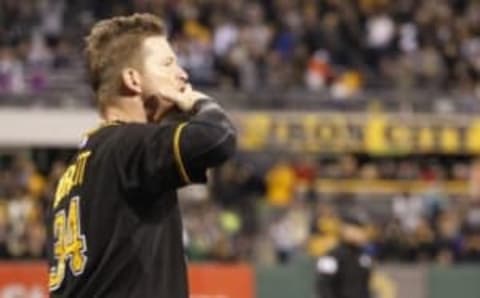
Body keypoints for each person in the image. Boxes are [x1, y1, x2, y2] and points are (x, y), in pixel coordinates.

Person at [46, 13, 236, 298]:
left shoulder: (72, 175)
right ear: (133, 79)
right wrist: (197, 102)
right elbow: (217, 137)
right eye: (167, 64)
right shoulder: (126, 145)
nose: (182, 75)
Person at [315, 210, 373, 298]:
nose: (358, 233)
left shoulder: (364, 257)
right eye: (355, 229)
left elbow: (365, 287)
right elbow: (324, 286)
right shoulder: (331, 256)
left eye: (360, 229)